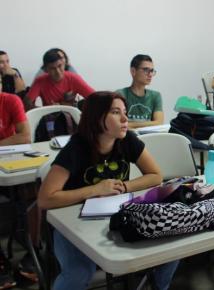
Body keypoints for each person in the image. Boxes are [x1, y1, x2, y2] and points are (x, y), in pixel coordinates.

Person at [37, 91, 178, 290]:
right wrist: (93, 190)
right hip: (72, 224)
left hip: (116, 214)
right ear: (97, 118)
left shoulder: (127, 139)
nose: (124, 118)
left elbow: (155, 175)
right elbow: (45, 199)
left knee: (171, 246)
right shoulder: (76, 147)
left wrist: (125, 186)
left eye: (125, 111)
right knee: (78, 272)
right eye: (115, 112)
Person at [0, 74, 32, 289]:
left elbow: (24, 136)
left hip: (11, 163)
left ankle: (33, 253)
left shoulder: (10, 101)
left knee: (36, 192)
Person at [26, 49, 94, 109]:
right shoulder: (39, 81)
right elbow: (26, 104)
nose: (58, 72)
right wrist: (46, 109)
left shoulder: (74, 78)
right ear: (46, 69)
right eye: (52, 68)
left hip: (71, 115)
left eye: (60, 66)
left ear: (64, 64)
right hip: (49, 117)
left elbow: (95, 98)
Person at [116, 54, 164, 128]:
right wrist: (151, 123)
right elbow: (118, 124)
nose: (150, 74)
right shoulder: (120, 94)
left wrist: (130, 125)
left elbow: (159, 123)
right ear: (133, 71)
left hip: (150, 137)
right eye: (146, 70)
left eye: (151, 71)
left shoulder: (155, 96)